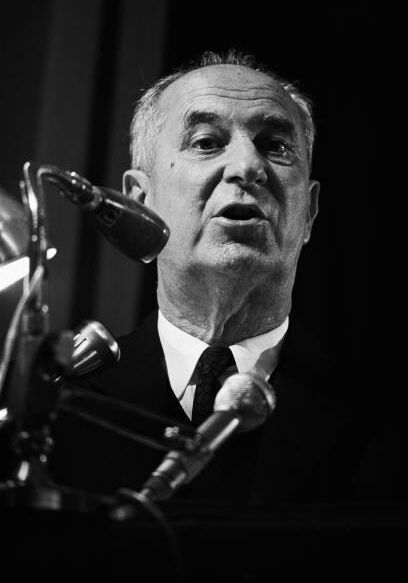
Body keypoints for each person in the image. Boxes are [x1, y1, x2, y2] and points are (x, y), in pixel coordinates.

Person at [49, 51, 390, 504]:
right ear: (139, 202)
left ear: (309, 212)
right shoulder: (59, 408)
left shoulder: (383, 413)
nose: (248, 166)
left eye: (275, 146)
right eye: (207, 142)